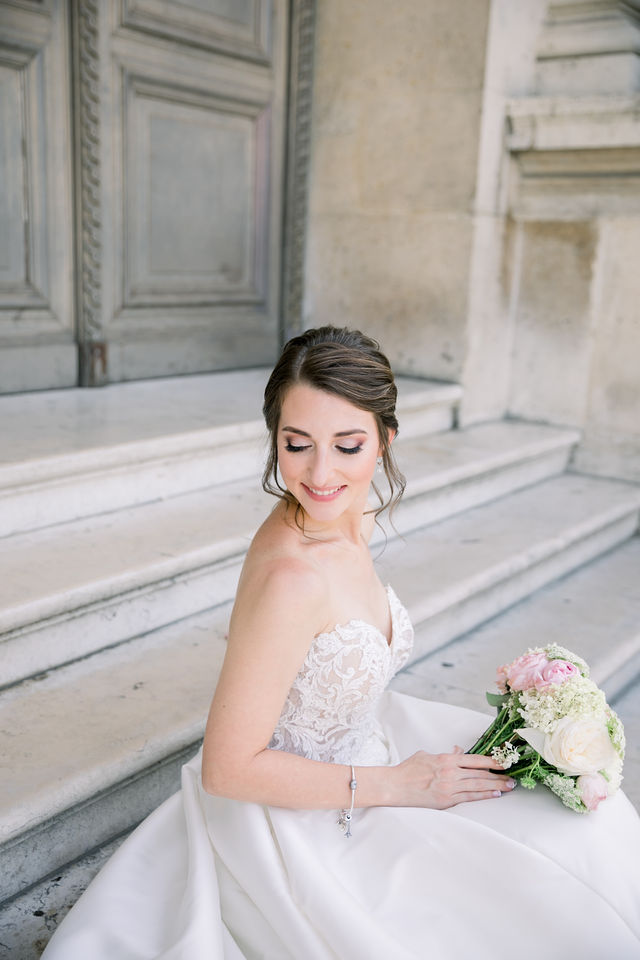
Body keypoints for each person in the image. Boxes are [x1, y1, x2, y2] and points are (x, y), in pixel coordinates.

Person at [43, 327, 640, 959]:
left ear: (384, 439)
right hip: (309, 818)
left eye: (346, 446)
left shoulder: (345, 515)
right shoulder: (291, 578)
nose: (319, 474)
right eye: (295, 445)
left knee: (588, 829)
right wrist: (403, 785)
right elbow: (226, 768)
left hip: (373, 744)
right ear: (274, 437)